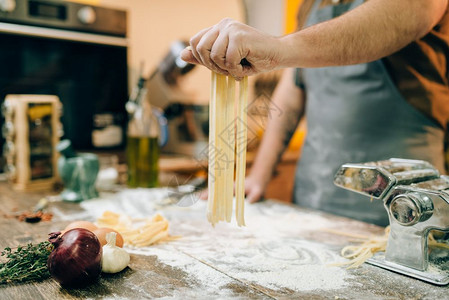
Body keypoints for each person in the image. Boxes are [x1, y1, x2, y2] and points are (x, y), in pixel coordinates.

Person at [181, 0, 449, 226]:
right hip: (313, 201)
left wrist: (281, 47)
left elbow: (407, 13)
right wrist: (258, 175)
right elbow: (292, 91)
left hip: (401, 206)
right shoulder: (311, 3)